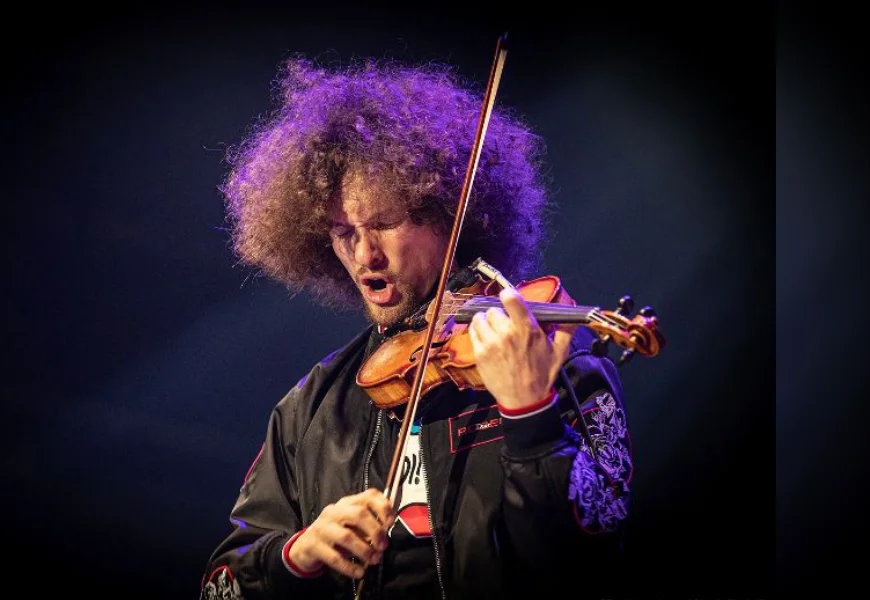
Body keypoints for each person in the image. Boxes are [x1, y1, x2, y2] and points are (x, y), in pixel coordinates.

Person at [199, 56, 632, 600]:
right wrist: (296, 556)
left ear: (449, 214)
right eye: (342, 232)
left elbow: (594, 554)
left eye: (383, 223)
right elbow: (219, 588)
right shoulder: (309, 410)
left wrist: (531, 416)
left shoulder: (552, 361)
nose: (364, 254)